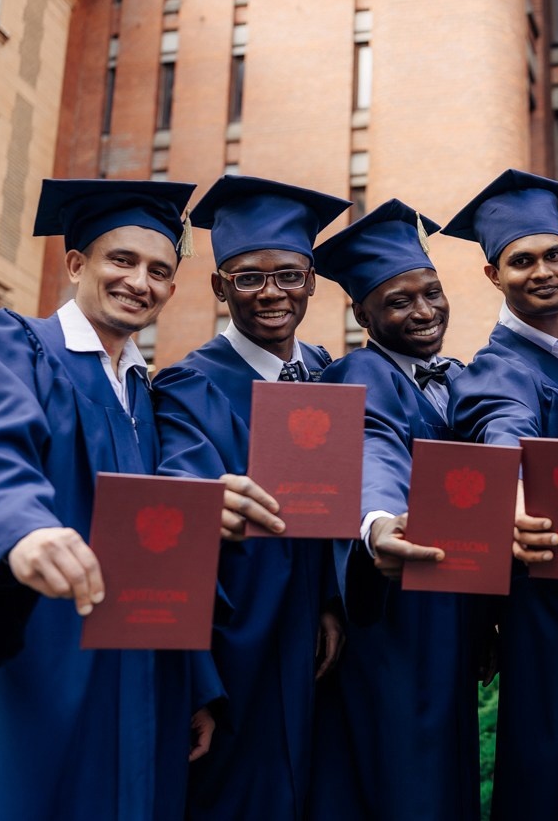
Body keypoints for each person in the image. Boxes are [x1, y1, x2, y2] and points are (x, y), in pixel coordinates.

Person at [0, 179, 224, 819]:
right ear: (77, 263)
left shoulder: (149, 394)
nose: (141, 282)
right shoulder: (10, 346)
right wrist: (23, 531)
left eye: (160, 271)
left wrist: (192, 682)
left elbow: (163, 549)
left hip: (141, 669)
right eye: (122, 260)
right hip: (43, 655)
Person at [151, 175, 350, 820]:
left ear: (313, 280)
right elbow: (181, 495)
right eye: (249, 278)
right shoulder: (189, 386)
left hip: (317, 646)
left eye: (290, 275)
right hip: (239, 641)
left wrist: (326, 599)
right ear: (218, 287)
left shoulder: (328, 374)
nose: (273, 293)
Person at [444, 169, 558, 821]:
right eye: (521, 262)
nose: (543, 271)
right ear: (493, 273)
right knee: (557, 760)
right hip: (557, 596)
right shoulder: (495, 368)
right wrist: (512, 492)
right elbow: (503, 430)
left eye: (554, 254)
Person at [308, 198, 482, 820]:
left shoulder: (458, 377)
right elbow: (369, 446)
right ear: (363, 314)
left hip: (451, 614)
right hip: (395, 615)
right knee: (398, 780)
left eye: (431, 292)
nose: (425, 311)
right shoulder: (357, 374)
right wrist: (379, 520)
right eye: (400, 301)